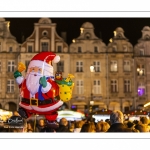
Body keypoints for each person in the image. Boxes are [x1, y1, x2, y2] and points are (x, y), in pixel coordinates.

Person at [14, 52, 63, 122]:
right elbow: (22, 86)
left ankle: (50, 117)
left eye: (39, 70)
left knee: (50, 112)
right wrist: (18, 76)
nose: (34, 72)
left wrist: (45, 86)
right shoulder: (27, 80)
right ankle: (26, 112)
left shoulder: (49, 80)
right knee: (25, 112)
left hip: (45, 105)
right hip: (27, 104)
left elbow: (53, 90)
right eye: (32, 69)